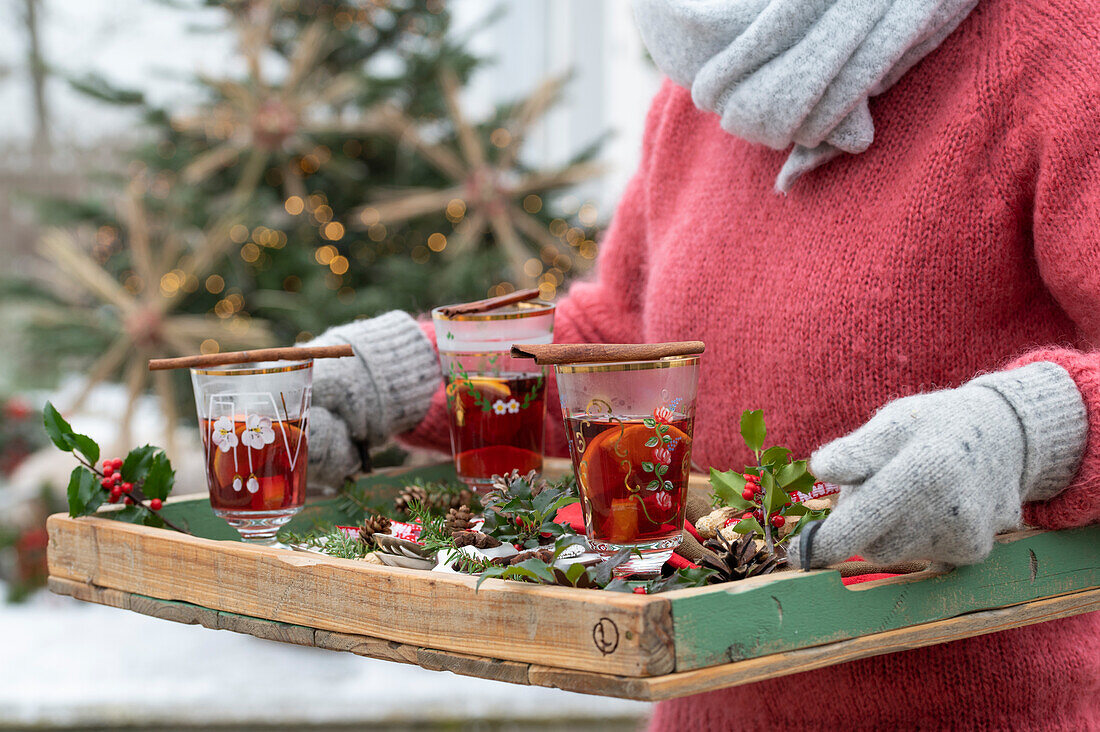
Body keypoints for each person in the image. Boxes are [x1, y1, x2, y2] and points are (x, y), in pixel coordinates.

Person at [307, 0, 1100, 728]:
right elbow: (614, 357)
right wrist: (417, 372)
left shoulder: (1056, 41)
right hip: (709, 707)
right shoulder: (709, 80)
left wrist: (1032, 429)